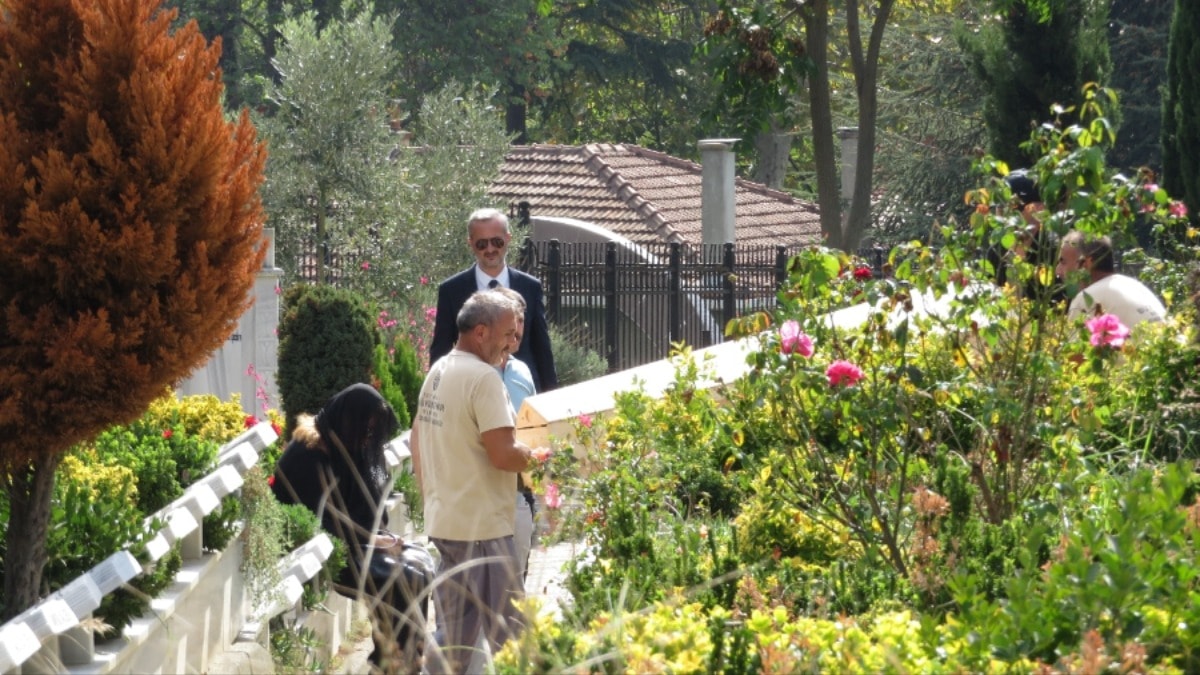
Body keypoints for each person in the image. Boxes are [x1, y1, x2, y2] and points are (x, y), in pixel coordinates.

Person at [411, 291, 540, 673]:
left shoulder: (439, 370)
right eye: (507, 334)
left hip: (448, 524)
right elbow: (503, 455)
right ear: (481, 332)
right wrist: (547, 457)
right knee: (514, 638)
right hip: (483, 530)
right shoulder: (484, 378)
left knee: (453, 637)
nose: (510, 344)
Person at [271, 384, 429, 673]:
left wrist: (378, 538)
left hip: (349, 544)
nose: (368, 437)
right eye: (364, 429)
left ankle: (404, 662)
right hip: (324, 553)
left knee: (419, 565)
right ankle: (391, 665)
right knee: (401, 577)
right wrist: (372, 540)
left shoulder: (339, 445)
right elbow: (325, 522)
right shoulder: (308, 456)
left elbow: (359, 510)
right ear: (348, 419)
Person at [430, 208, 558, 392]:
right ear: (471, 243)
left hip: (521, 390)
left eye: (496, 242)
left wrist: (551, 397)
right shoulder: (451, 290)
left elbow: (542, 349)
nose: (490, 249)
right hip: (471, 392)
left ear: (508, 239)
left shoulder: (530, 287)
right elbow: (440, 350)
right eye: (482, 244)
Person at [490, 286, 538, 586]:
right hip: (485, 487)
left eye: (520, 321)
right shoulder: (476, 370)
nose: (516, 330)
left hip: (520, 487)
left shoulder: (523, 371)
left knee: (517, 571)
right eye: (511, 321)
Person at [1056, 230, 1167, 329]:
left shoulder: (1086, 298)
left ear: (1086, 264)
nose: (1058, 271)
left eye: (1063, 262)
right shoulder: (1134, 286)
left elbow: (1073, 351)